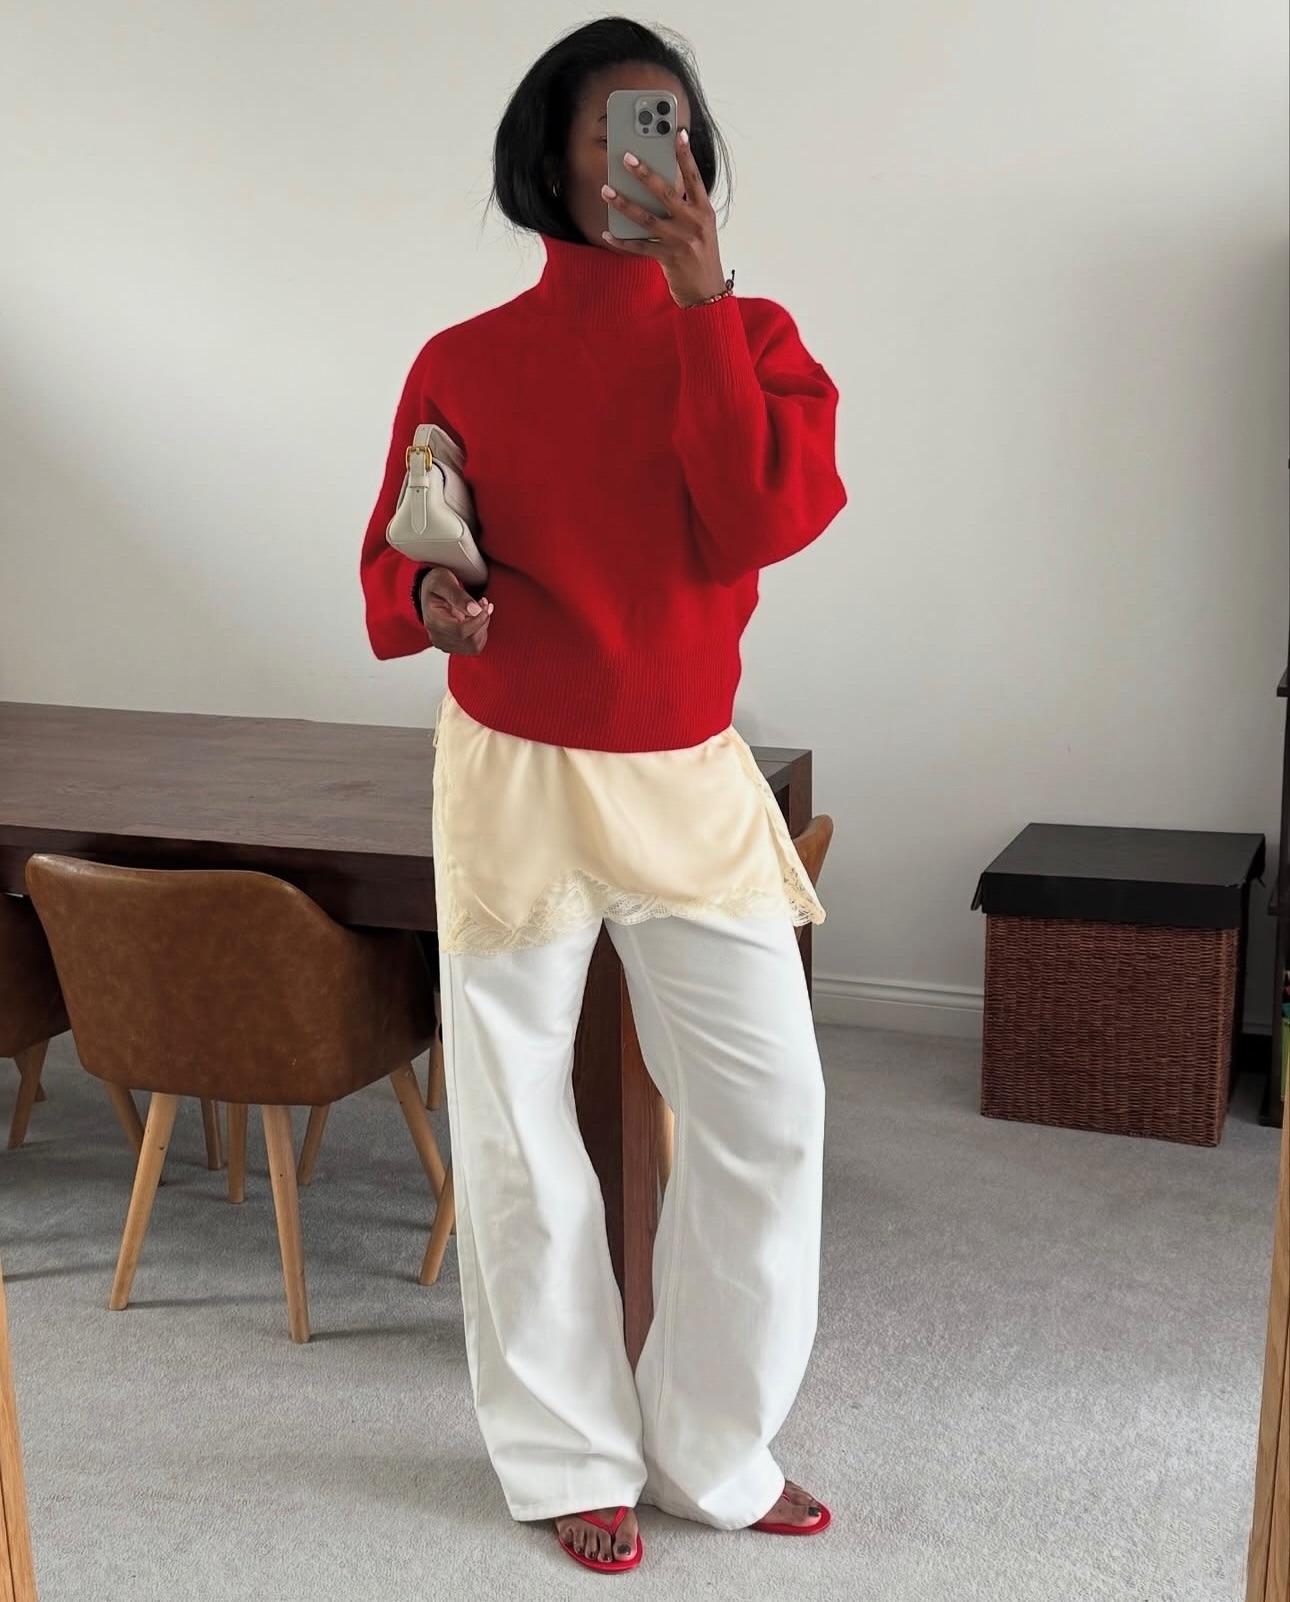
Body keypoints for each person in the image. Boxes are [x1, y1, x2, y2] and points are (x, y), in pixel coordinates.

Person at [360, 16, 846, 1576]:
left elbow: (748, 523)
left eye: (673, 128)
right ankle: (569, 1451)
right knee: (514, 1130)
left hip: (688, 770)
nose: (654, 156)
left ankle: (712, 1446)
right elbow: (402, 546)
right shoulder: (463, 358)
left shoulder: (755, 335)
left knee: (768, 1115)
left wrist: (701, 310)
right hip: (509, 771)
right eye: (618, 131)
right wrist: (429, 602)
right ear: (550, 161)